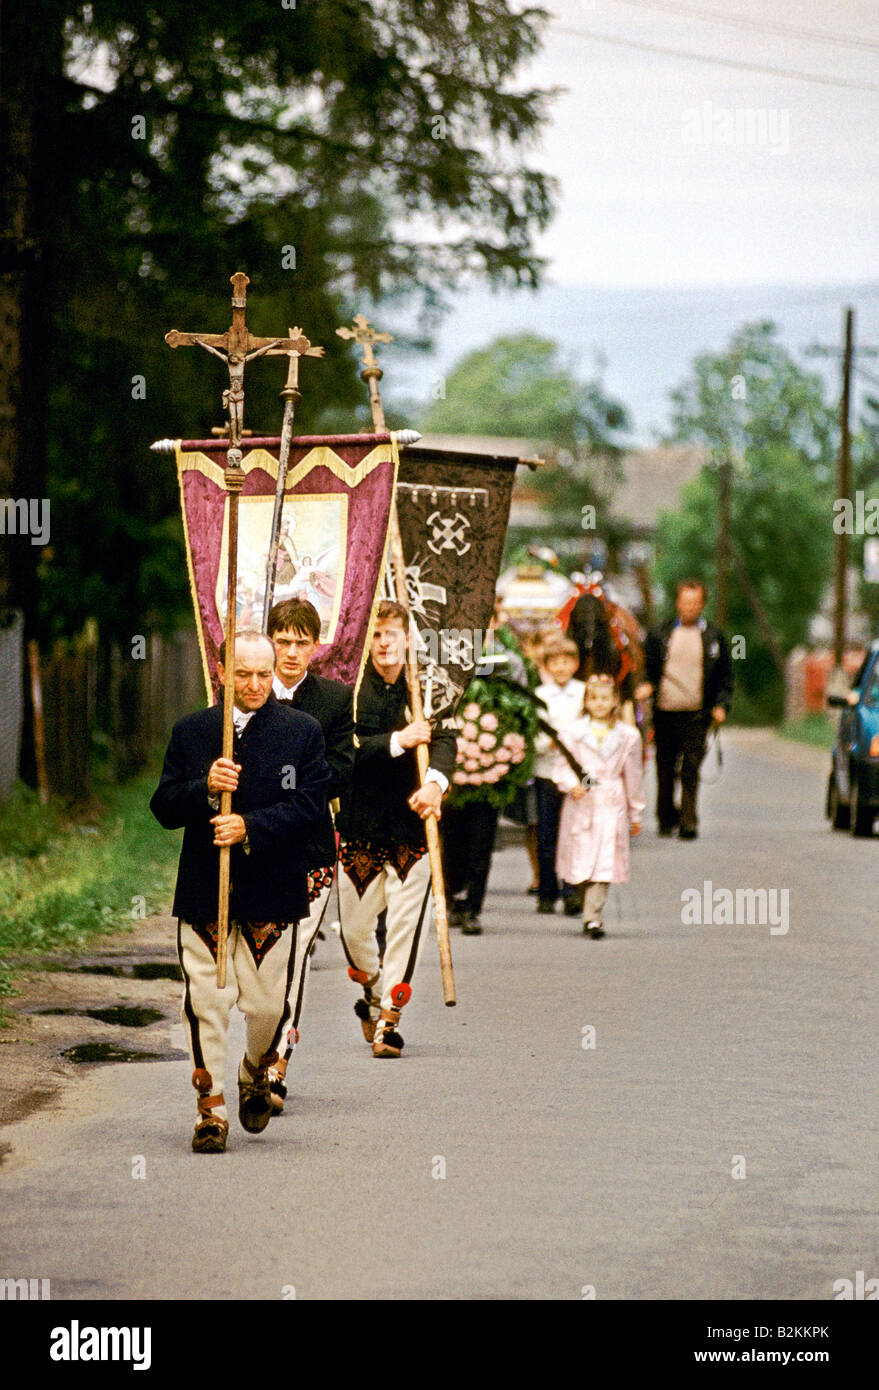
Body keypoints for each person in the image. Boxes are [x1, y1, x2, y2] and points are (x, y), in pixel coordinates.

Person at [149, 630, 328, 1153]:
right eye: (243, 673)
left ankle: (255, 1069)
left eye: (263, 674)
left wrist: (249, 826)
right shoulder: (193, 732)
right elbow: (163, 806)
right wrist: (204, 787)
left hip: (273, 891)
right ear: (222, 672)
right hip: (206, 891)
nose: (254, 684)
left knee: (268, 1005)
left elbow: (308, 808)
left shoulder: (302, 732)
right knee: (204, 1002)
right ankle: (212, 1109)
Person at [336, 600, 456, 1057]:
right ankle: (370, 988)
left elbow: (445, 738)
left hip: (412, 829)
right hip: (361, 826)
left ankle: (389, 1019)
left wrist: (434, 785)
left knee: (406, 926)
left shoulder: (426, 688)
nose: (385, 644)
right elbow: (345, 750)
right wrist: (397, 741)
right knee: (354, 933)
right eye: (377, 635)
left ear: (409, 638)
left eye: (392, 634)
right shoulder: (347, 691)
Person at [264, 597, 355, 1113]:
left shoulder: (334, 702)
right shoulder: (246, 692)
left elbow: (341, 773)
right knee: (258, 961)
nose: (292, 652)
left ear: (316, 646)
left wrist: (284, 776)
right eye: (283, 640)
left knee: (295, 957)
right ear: (270, 640)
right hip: (254, 846)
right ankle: (256, 1049)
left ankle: (278, 1061)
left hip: (312, 850)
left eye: (302, 642)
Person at [442, 615, 531, 936]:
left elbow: (522, 708)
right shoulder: (444, 653)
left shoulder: (508, 661)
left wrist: (509, 750)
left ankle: (472, 908)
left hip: (491, 766)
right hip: (452, 766)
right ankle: (452, 897)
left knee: (482, 841)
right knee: (452, 838)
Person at [635, 579, 733, 839]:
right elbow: (648, 669)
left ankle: (689, 820)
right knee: (665, 767)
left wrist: (721, 705)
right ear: (678, 603)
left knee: (691, 768)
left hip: (698, 713)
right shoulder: (660, 634)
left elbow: (725, 676)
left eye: (695, 602)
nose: (690, 607)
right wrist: (647, 686)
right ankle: (666, 816)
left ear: (702, 604)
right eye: (685, 601)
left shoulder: (714, 636)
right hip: (665, 710)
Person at [552, 674, 645, 938]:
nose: (600, 703)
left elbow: (633, 776)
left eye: (606, 698)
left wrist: (635, 811)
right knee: (581, 858)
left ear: (615, 701)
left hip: (610, 801)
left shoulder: (628, 736)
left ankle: (593, 916)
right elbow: (562, 767)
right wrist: (571, 784)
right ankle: (585, 903)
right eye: (594, 698)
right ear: (586, 702)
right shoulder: (572, 733)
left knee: (605, 859)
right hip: (582, 802)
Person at [533, 636, 586, 915]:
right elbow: (535, 735)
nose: (561, 667)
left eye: (566, 662)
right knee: (547, 833)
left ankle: (572, 890)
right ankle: (546, 891)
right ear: (547, 666)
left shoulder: (583, 692)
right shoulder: (541, 696)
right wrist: (547, 744)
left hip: (577, 774)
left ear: (575, 665)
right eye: (555, 662)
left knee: (574, 832)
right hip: (548, 771)